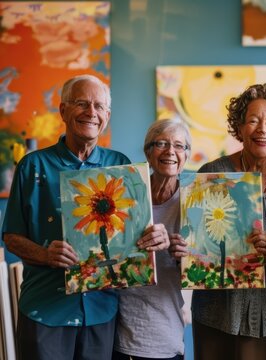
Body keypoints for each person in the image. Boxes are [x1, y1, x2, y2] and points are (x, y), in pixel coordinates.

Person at [2, 74, 130, 359]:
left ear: (107, 115)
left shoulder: (120, 166)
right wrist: (46, 255)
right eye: (81, 103)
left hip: (102, 309)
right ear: (63, 110)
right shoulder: (32, 165)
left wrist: (149, 235)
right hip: (46, 310)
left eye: (99, 106)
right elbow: (10, 237)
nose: (91, 112)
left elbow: (131, 234)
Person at [181, 83, 266, 360]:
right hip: (217, 316)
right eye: (253, 121)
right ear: (239, 127)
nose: (262, 129)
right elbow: (196, 249)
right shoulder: (212, 173)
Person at [113, 119, 192, 360]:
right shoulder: (124, 194)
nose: (171, 151)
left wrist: (181, 256)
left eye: (179, 146)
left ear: (186, 156)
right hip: (116, 329)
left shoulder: (195, 202)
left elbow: (204, 273)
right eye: (162, 144)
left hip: (163, 333)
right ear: (148, 152)